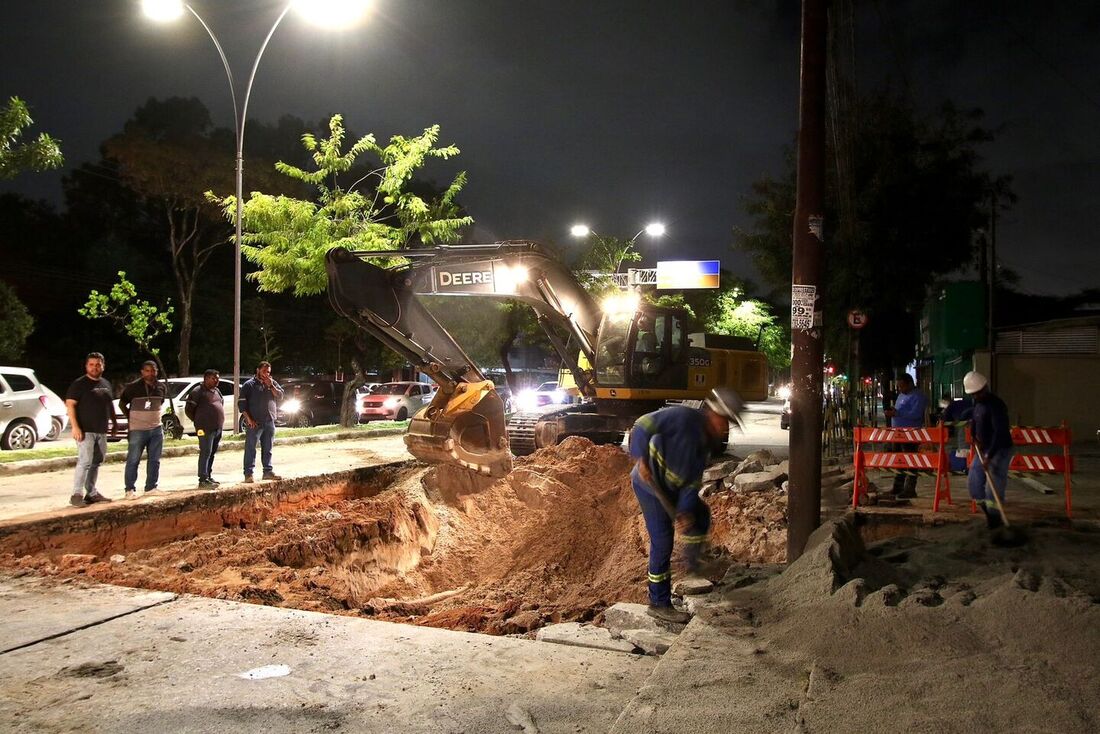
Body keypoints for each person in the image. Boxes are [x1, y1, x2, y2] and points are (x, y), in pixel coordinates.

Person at [629, 387, 744, 624]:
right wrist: (640, 457)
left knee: (699, 514)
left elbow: (691, 482)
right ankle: (658, 602)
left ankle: (694, 563)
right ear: (712, 413)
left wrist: (684, 511)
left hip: (672, 489)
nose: (725, 428)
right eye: (724, 421)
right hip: (650, 485)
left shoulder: (706, 444)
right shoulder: (682, 417)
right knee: (662, 542)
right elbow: (642, 425)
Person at [65, 352, 118, 507]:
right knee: (85, 462)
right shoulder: (79, 384)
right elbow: (70, 404)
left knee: (97, 462)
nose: (95, 367)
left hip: (101, 431)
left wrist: (114, 423)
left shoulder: (106, 384)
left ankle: (91, 493)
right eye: (91, 364)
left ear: (103, 366)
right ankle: (76, 494)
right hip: (85, 430)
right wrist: (75, 427)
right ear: (86, 366)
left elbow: (110, 405)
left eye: (98, 364)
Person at [963, 371, 1014, 531]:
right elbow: (975, 419)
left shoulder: (996, 405)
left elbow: (1000, 433)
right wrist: (973, 434)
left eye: (978, 393)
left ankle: (995, 520)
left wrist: (989, 456)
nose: (976, 396)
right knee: (974, 485)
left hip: (999, 449)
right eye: (974, 394)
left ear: (985, 388)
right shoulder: (977, 403)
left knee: (993, 489)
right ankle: (990, 516)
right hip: (983, 449)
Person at [118, 360, 167, 499]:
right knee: (133, 459)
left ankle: (151, 487)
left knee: (155, 459)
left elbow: (159, 403)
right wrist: (131, 418)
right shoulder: (133, 388)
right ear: (142, 372)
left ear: (157, 371)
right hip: (138, 429)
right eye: (147, 370)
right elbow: (122, 404)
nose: (150, 373)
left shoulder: (161, 387)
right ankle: (129, 489)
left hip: (156, 429)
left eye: (153, 370)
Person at [883, 373, 927, 498]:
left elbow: (916, 414)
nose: (900, 389)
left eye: (902, 386)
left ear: (910, 384)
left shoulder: (918, 396)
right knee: (899, 461)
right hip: (897, 434)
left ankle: (910, 489)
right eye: (899, 386)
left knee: (911, 461)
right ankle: (897, 487)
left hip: (910, 434)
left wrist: (898, 413)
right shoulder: (901, 395)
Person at [240, 361, 284, 482]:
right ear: (258, 370)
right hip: (255, 422)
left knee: (268, 447)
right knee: (251, 448)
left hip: (269, 421)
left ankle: (268, 471)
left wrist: (271, 386)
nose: (266, 374)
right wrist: (249, 419)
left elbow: (280, 396)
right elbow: (242, 404)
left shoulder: (272, 383)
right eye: (264, 371)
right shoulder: (249, 385)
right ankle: (248, 473)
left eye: (268, 372)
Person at [186, 369, 225, 489]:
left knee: (212, 452)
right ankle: (202, 479)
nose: (216, 380)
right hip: (204, 428)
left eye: (217, 378)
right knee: (205, 452)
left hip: (217, 428)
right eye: (214, 378)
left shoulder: (216, 391)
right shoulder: (198, 391)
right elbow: (189, 410)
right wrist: (198, 421)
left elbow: (220, 403)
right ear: (206, 378)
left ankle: (208, 475)